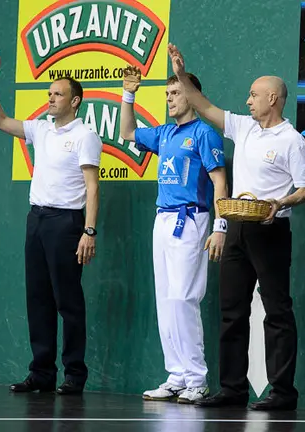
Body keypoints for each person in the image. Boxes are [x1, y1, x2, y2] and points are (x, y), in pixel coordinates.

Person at [165, 43, 305, 411]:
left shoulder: (291, 140)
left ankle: (283, 392)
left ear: (274, 98)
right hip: (237, 229)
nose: (248, 100)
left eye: (254, 95)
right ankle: (232, 388)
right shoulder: (244, 127)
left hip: (271, 230)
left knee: (278, 311)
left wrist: (281, 203)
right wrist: (182, 74)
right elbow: (202, 105)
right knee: (232, 311)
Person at [0, 50, 102, 395]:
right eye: (49, 93)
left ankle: (74, 375)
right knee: (38, 298)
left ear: (74, 101)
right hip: (36, 220)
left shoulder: (85, 136)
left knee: (68, 301)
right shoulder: (40, 130)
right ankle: (42, 373)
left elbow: (92, 188)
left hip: (67, 222)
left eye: (57, 94)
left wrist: (88, 231)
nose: (50, 98)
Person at [118, 65, 228, 404]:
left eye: (176, 93)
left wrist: (221, 226)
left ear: (192, 96)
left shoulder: (205, 133)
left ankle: (196, 378)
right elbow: (127, 132)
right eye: (167, 94)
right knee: (166, 300)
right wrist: (129, 95)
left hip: (192, 220)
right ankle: (177, 375)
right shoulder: (164, 133)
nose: (170, 99)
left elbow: (220, 181)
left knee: (184, 298)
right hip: (162, 221)